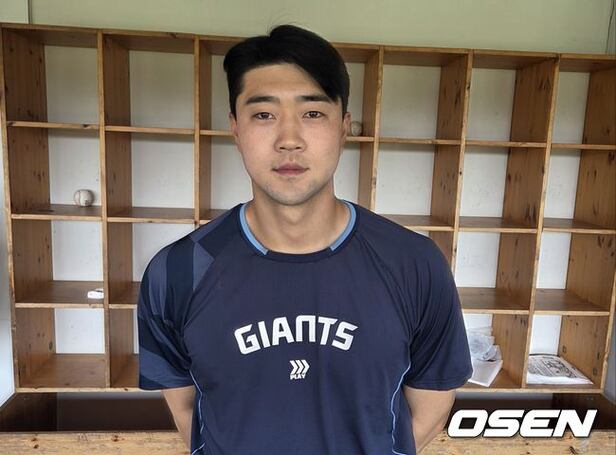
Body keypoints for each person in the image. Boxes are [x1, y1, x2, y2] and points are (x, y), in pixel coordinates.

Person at [137, 23, 472, 455]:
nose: (289, 140)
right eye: (263, 114)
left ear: (344, 126)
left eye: (312, 113)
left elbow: (430, 409)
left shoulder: (415, 264)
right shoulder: (177, 271)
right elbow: (188, 410)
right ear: (235, 127)